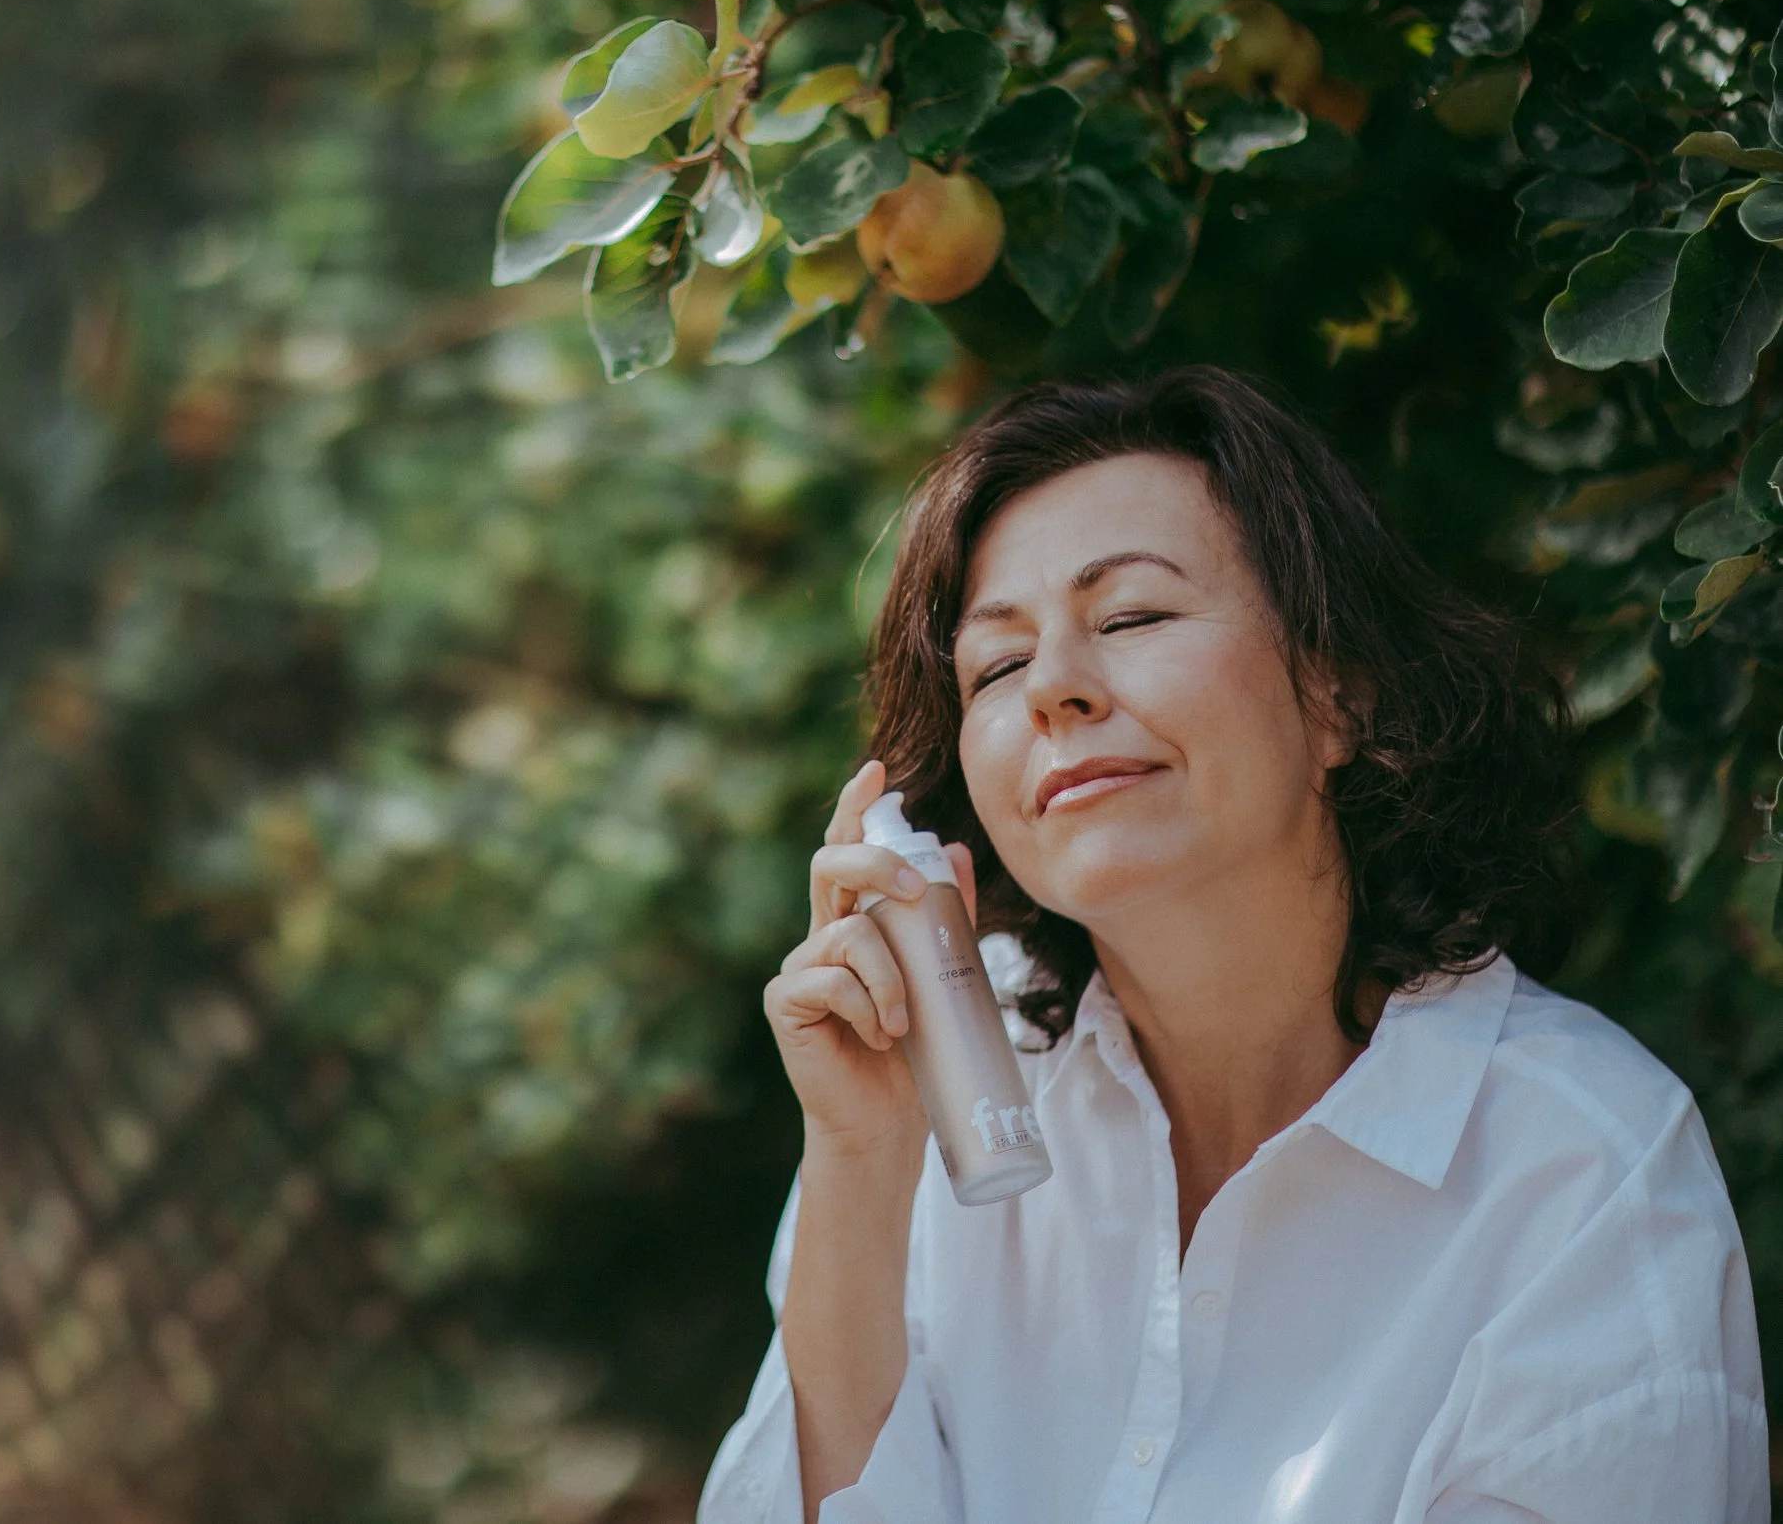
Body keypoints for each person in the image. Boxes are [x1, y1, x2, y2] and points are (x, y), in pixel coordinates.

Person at [698, 368, 1768, 1524]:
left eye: (1133, 618)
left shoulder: (1580, 1171)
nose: (1053, 686)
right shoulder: (938, 1082)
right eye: (997, 666)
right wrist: (858, 1164)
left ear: (1338, 693)